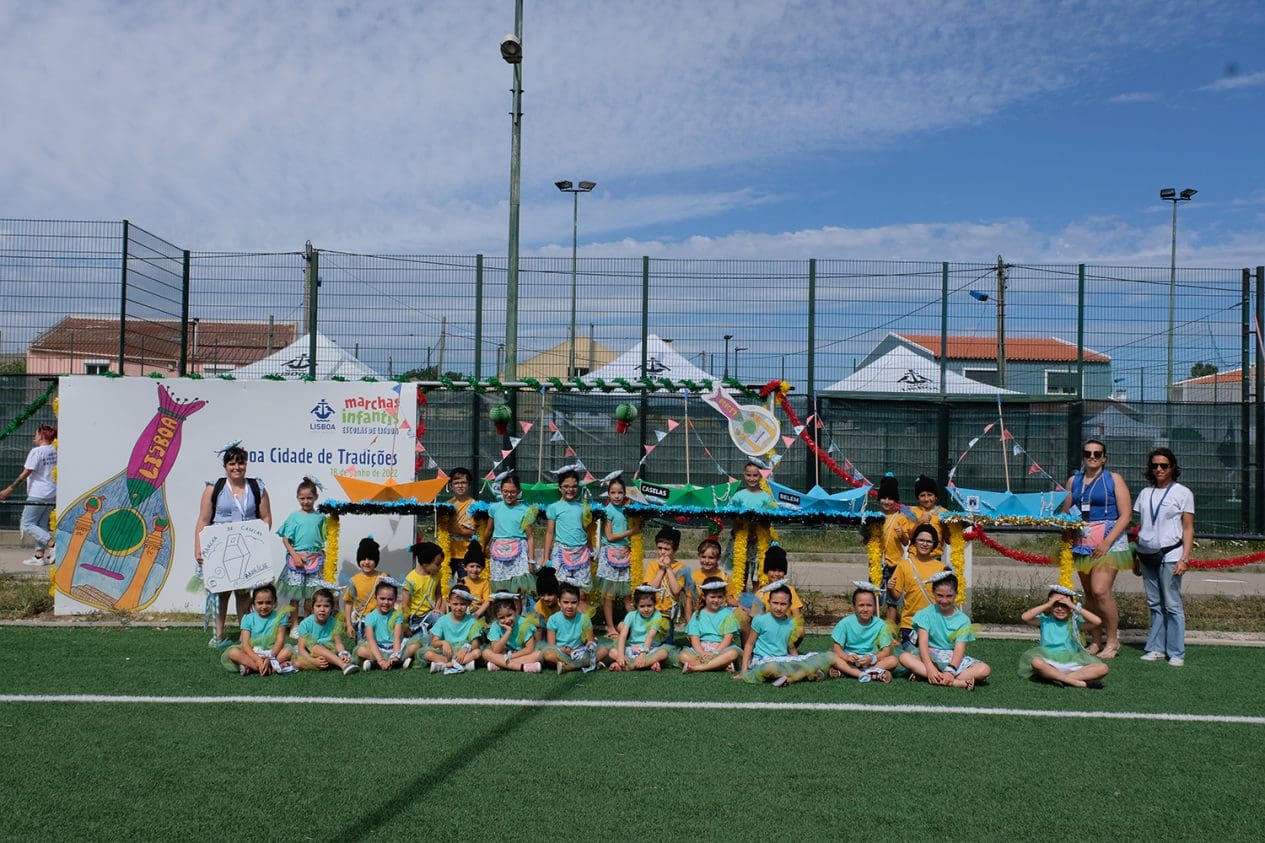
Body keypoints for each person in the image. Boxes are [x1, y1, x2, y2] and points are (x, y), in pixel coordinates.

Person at [194, 444, 273, 647]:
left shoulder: (257, 487)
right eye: (232, 463)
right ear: (225, 466)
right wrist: (198, 548)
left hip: (247, 547)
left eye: (241, 463)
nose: (237, 467)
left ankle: (245, 635)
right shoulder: (214, 488)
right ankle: (218, 635)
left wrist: (257, 541)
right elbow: (203, 520)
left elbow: (266, 518)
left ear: (246, 464)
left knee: (244, 594)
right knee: (220, 592)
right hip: (219, 546)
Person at [1062, 438, 1133, 658]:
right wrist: (1066, 529)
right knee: (1090, 594)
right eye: (1088, 453)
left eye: (1097, 454)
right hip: (1082, 542)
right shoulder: (1074, 481)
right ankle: (1095, 640)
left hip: (1109, 540)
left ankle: (1112, 640)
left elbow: (1126, 515)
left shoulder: (1114, 479)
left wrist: (1107, 542)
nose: (1092, 457)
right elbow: (1066, 512)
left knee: (1101, 590)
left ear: (1104, 458)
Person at [1134, 448, 1194, 667]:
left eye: (1164, 465)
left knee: (1172, 603)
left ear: (1172, 467)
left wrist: (1184, 558)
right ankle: (1156, 648)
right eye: (1155, 465)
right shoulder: (1145, 493)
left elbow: (1188, 528)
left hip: (1171, 554)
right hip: (1146, 553)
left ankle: (1176, 652)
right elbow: (1140, 527)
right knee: (1154, 603)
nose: (1159, 469)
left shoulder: (1183, 493)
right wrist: (1135, 557)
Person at [900, 572, 990, 690]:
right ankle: (956, 682)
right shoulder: (925, 614)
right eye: (940, 595)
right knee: (904, 657)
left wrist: (951, 670)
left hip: (952, 658)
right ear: (933, 593)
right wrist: (929, 666)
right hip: (929, 656)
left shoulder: (963, 620)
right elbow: (923, 643)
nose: (944, 600)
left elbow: (959, 648)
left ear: (956, 594)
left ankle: (929, 676)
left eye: (949, 596)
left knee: (984, 669)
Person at [738, 585, 833, 686]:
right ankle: (802, 675)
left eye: (783, 604)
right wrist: (744, 670)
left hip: (783, 659)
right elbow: (749, 644)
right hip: (763, 661)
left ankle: (789, 679)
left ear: (789, 605)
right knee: (771, 668)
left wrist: (799, 661)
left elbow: (791, 648)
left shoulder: (791, 623)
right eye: (775, 603)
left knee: (826, 656)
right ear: (769, 602)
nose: (778, 608)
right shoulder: (760, 620)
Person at [1019, 586, 1107, 688]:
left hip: (1072, 661)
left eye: (1064, 605)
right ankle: (1077, 682)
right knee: (1036, 662)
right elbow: (1025, 617)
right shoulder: (1045, 620)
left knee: (1103, 668)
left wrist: (1074, 606)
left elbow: (1097, 621)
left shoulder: (1075, 622)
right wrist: (1047, 604)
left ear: (1070, 608)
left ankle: (1057, 677)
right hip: (1049, 661)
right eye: (1055, 604)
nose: (1060, 608)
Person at [0, 425, 57, 567]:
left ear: (41, 435)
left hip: (38, 493)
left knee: (26, 524)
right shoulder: (54, 450)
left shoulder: (37, 452)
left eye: (36, 434)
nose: (34, 437)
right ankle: (39, 556)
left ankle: (53, 545)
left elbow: (27, 472)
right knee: (40, 525)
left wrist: (9, 489)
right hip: (51, 492)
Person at [887, 523, 950, 649]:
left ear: (934, 544)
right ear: (914, 542)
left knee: (934, 657)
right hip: (910, 625)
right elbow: (896, 596)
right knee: (912, 657)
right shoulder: (904, 565)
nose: (924, 544)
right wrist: (890, 588)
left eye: (929, 541)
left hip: (935, 625)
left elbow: (948, 598)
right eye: (921, 540)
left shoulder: (942, 568)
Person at [276, 477, 328, 620]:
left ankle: (306, 622)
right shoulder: (294, 517)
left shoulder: (321, 518)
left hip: (314, 560)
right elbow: (286, 539)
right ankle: (294, 624)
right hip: (297, 560)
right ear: (297, 498)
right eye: (302, 498)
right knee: (296, 596)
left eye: (309, 498)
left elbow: (325, 537)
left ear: (316, 497)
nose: (306, 501)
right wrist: (295, 556)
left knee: (311, 596)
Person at [830, 583, 899, 682]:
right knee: (832, 657)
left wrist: (872, 659)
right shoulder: (845, 623)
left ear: (874, 606)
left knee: (893, 660)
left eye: (869, 605)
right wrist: (847, 657)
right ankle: (867, 674)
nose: (865, 609)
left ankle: (853, 673)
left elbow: (886, 651)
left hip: (871, 661)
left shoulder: (881, 625)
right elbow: (836, 649)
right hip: (850, 660)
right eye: (861, 605)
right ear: (854, 606)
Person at [222, 583, 294, 675]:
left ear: (274, 602)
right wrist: (257, 659)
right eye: (260, 603)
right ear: (253, 603)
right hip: (252, 652)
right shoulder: (247, 618)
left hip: (273, 651)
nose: (264, 606)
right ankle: (268, 668)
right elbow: (245, 644)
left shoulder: (280, 616)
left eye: (268, 602)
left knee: (287, 652)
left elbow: (280, 641)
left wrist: (270, 657)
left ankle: (252, 667)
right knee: (233, 653)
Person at [596, 475, 636, 634]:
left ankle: (635, 626)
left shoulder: (629, 510)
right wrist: (631, 532)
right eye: (613, 492)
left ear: (625, 493)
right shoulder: (607, 511)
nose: (617, 496)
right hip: (610, 555)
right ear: (608, 494)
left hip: (625, 555)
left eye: (620, 492)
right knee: (609, 595)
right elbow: (610, 536)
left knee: (627, 595)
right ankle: (610, 627)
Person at [675, 579, 742, 674]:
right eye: (712, 597)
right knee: (683, 656)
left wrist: (715, 652)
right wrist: (701, 652)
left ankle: (696, 668)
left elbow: (728, 638)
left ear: (724, 597)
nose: (716, 600)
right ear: (704, 597)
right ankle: (720, 665)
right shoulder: (697, 614)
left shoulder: (728, 614)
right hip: (702, 648)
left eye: (720, 597)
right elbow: (694, 637)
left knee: (733, 653)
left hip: (721, 648)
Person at [485, 472, 536, 594]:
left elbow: (530, 537)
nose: (509, 495)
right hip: (498, 550)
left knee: (519, 588)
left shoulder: (526, 510)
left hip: (519, 551)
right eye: (505, 491)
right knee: (499, 586)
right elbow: (489, 530)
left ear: (518, 492)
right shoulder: (494, 508)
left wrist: (531, 560)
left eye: (512, 492)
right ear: (501, 490)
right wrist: (482, 547)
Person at [542, 469, 592, 591]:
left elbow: (587, 531)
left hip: (581, 553)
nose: (570, 489)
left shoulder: (583, 507)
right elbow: (549, 533)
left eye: (574, 486)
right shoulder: (553, 507)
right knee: (560, 587)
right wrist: (545, 557)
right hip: (561, 551)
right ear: (560, 488)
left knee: (582, 589)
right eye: (566, 486)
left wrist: (591, 550)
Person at [540, 583, 608, 673]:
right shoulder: (553, 619)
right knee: (548, 654)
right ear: (559, 602)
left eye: (573, 602)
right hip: (562, 653)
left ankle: (568, 667)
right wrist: (563, 650)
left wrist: (588, 646)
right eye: (565, 602)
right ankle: (588, 663)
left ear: (578, 602)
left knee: (604, 650)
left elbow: (590, 642)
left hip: (580, 652)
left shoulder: (584, 619)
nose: (569, 606)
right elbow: (551, 645)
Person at [875, 475, 916, 626]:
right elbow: (866, 540)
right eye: (883, 498)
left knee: (893, 602)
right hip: (877, 564)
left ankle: (890, 632)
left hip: (895, 565)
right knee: (874, 598)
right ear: (879, 499)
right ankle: (874, 629)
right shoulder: (874, 517)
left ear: (896, 500)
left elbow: (906, 542)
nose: (887, 502)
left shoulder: (901, 518)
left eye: (890, 498)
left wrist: (901, 535)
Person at [293, 588, 358, 674]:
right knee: (298, 662)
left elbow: (338, 643)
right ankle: (338, 664)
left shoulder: (334, 622)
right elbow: (301, 649)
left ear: (331, 608)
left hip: (329, 650)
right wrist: (313, 661)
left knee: (337, 654)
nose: (322, 609)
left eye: (326, 606)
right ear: (312, 608)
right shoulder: (305, 624)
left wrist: (342, 654)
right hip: (310, 652)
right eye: (318, 606)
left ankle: (341, 664)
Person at [610, 585, 673, 672]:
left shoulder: (657, 615)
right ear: (636, 605)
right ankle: (648, 664)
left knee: (664, 653)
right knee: (612, 652)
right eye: (642, 606)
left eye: (649, 606)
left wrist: (643, 654)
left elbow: (650, 636)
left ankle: (629, 666)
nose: (646, 609)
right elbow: (623, 635)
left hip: (649, 648)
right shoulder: (631, 615)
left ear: (655, 604)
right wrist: (620, 655)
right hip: (633, 648)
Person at [422, 589, 485, 674]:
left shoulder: (472, 621)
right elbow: (434, 642)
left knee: (477, 653)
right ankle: (463, 664)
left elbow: (475, 645)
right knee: (427, 654)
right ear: (448, 602)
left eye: (462, 604)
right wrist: (443, 643)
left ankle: (446, 665)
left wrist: (466, 648)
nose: (459, 608)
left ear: (468, 604)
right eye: (455, 604)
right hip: (447, 653)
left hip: (463, 653)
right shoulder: (443, 620)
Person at [644, 527, 691, 639]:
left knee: (666, 643)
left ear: (675, 549)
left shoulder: (681, 567)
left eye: (667, 549)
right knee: (649, 641)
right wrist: (661, 570)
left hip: (667, 615)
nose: (662, 552)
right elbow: (650, 589)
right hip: (651, 611)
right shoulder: (652, 565)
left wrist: (668, 568)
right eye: (659, 548)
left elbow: (676, 590)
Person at [754, 546, 804, 646]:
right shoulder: (760, 593)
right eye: (773, 570)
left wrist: (798, 629)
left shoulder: (790, 590)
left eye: (780, 571)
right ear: (766, 571)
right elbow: (756, 620)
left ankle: (788, 649)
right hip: (767, 630)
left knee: (800, 631)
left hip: (785, 627)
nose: (776, 574)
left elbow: (797, 616)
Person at [356, 580, 410, 671]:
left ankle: (390, 661)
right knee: (360, 651)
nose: (386, 602)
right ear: (375, 597)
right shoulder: (370, 617)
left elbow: (396, 638)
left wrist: (395, 655)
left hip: (395, 647)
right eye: (382, 598)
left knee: (414, 646)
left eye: (390, 599)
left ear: (395, 599)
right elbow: (371, 640)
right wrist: (380, 660)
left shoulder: (397, 615)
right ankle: (387, 662)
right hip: (378, 647)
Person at [343, 537, 387, 641]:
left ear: (376, 560)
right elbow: (348, 602)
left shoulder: (383, 577)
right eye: (363, 559)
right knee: (363, 647)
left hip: (381, 621)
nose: (366, 562)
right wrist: (349, 624)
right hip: (362, 622)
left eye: (370, 559)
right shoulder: (354, 580)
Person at [483, 597, 543, 672]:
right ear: (496, 618)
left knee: (538, 654)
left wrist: (510, 656)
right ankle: (523, 667)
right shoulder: (495, 625)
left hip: (521, 654)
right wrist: (508, 632)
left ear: (516, 611)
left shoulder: (524, 623)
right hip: (503, 654)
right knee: (486, 653)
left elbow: (529, 649)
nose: (507, 620)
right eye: (501, 618)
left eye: (509, 615)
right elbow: (496, 650)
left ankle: (500, 665)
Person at [401, 541, 444, 639]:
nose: (440, 567)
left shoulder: (437, 576)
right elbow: (405, 606)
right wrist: (405, 626)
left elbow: (438, 594)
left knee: (441, 621)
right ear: (425, 563)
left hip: (430, 614)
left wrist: (437, 608)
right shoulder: (410, 580)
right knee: (418, 640)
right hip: (414, 618)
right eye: (437, 564)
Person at [441, 467, 478, 561]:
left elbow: (473, 532)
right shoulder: (445, 506)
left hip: (469, 555)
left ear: (469, 485)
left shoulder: (476, 505)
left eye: (463, 483)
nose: (460, 486)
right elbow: (441, 528)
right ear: (451, 486)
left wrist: (451, 528)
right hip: (448, 554)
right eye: (456, 483)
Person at [910, 474, 947, 554]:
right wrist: (919, 522)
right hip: (915, 557)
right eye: (922, 495)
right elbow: (909, 538)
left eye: (930, 495)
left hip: (935, 557)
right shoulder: (912, 512)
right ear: (917, 498)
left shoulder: (944, 513)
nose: (926, 499)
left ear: (936, 496)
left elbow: (948, 540)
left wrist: (957, 527)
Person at [457, 541, 492, 620]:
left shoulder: (484, 583)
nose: (475, 570)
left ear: (482, 568)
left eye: (478, 567)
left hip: (479, 613)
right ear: (465, 567)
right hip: (463, 612)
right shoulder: (461, 582)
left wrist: (476, 615)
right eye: (471, 566)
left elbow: (487, 602)